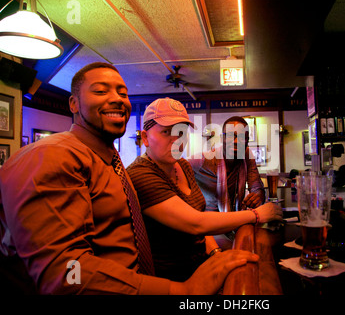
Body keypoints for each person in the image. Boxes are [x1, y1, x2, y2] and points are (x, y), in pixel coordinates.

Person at [0, 62, 259, 295]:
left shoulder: (109, 161)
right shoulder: (52, 154)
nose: (116, 99)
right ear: (74, 104)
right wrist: (181, 290)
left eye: (122, 93)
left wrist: (211, 254)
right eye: (101, 91)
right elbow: (65, 274)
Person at [126, 100, 283, 281]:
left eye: (181, 132)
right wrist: (257, 215)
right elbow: (196, 223)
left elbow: (200, 225)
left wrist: (216, 253)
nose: (176, 140)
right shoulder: (141, 173)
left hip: (201, 262)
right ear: (145, 138)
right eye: (166, 132)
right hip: (171, 280)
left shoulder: (182, 165)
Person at [189, 116, 266, 213]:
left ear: (247, 141)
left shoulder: (247, 156)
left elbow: (256, 187)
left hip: (234, 217)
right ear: (222, 138)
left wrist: (258, 196)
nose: (236, 142)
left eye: (242, 137)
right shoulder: (205, 160)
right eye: (230, 135)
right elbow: (177, 167)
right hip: (207, 220)